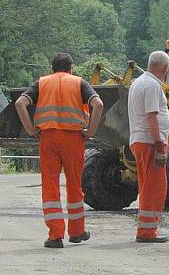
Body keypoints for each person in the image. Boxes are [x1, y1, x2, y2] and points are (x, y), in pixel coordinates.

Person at [14, 52, 103, 248]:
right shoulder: (79, 83)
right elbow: (98, 104)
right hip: (74, 138)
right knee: (74, 185)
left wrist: (30, 130)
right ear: (71, 68)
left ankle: (55, 235)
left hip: (48, 138)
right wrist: (91, 130)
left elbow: (20, 103)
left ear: (52, 68)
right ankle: (77, 232)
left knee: (50, 185)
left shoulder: (42, 83)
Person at [128, 51, 169, 243]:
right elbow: (151, 116)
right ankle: (147, 231)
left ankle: (146, 229)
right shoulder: (152, 85)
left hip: (140, 140)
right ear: (165, 69)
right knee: (155, 187)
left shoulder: (138, 82)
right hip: (149, 142)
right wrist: (159, 143)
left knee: (147, 186)